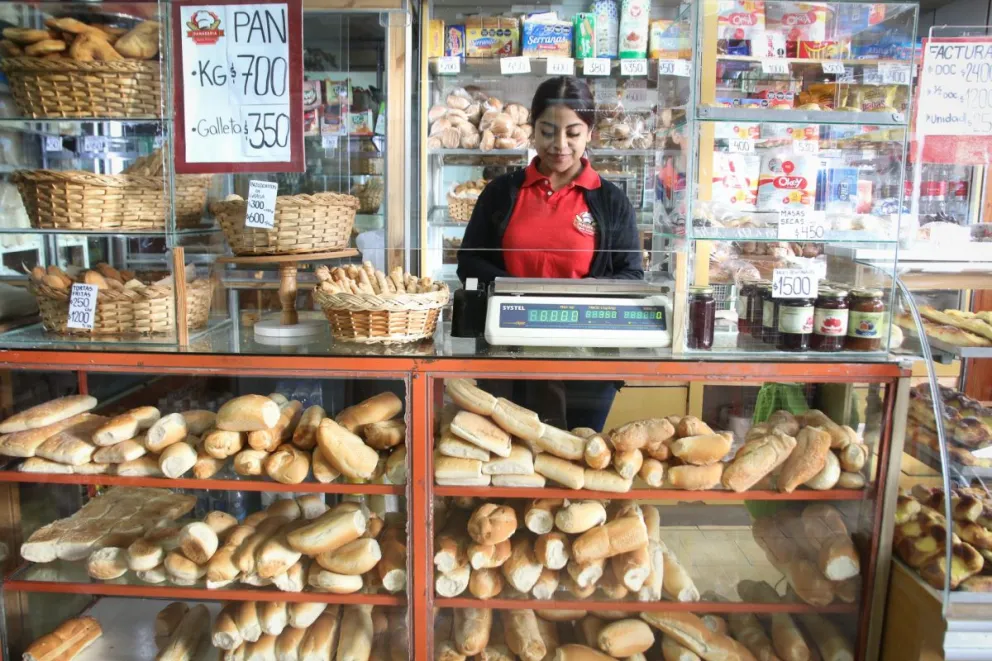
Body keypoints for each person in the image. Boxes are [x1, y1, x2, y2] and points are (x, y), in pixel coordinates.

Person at [457, 76, 644, 431]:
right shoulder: (501, 192)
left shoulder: (610, 201)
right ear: (532, 130)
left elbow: (632, 274)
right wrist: (519, 293)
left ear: (589, 132)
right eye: (547, 131)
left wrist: (579, 296)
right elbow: (468, 261)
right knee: (507, 463)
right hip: (506, 352)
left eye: (573, 133)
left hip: (586, 359)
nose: (559, 145)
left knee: (574, 460)